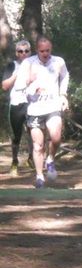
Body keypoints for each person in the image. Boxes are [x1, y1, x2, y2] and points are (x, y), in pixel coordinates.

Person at [14, 36, 69, 189]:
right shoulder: (28, 63)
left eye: (48, 50)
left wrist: (63, 95)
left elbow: (65, 77)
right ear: (36, 50)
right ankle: (39, 176)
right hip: (35, 109)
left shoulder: (58, 62)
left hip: (53, 106)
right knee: (38, 145)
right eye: (42, 51)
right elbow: (19, 85)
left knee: (56, 136)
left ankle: (50, 159)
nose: (45, 54)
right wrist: (29, 82)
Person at [2, 40, 33, 176]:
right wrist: (17, 73)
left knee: (34, 131)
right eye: (20, 51)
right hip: (16, 103)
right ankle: (14, 162)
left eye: (26, 51)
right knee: (16, 136)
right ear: (16, 53)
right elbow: (4, 86)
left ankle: (32, 159)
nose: (23, 54)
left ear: (30, 52)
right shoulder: (11, 66)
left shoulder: (35, 65)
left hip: (32, 102)